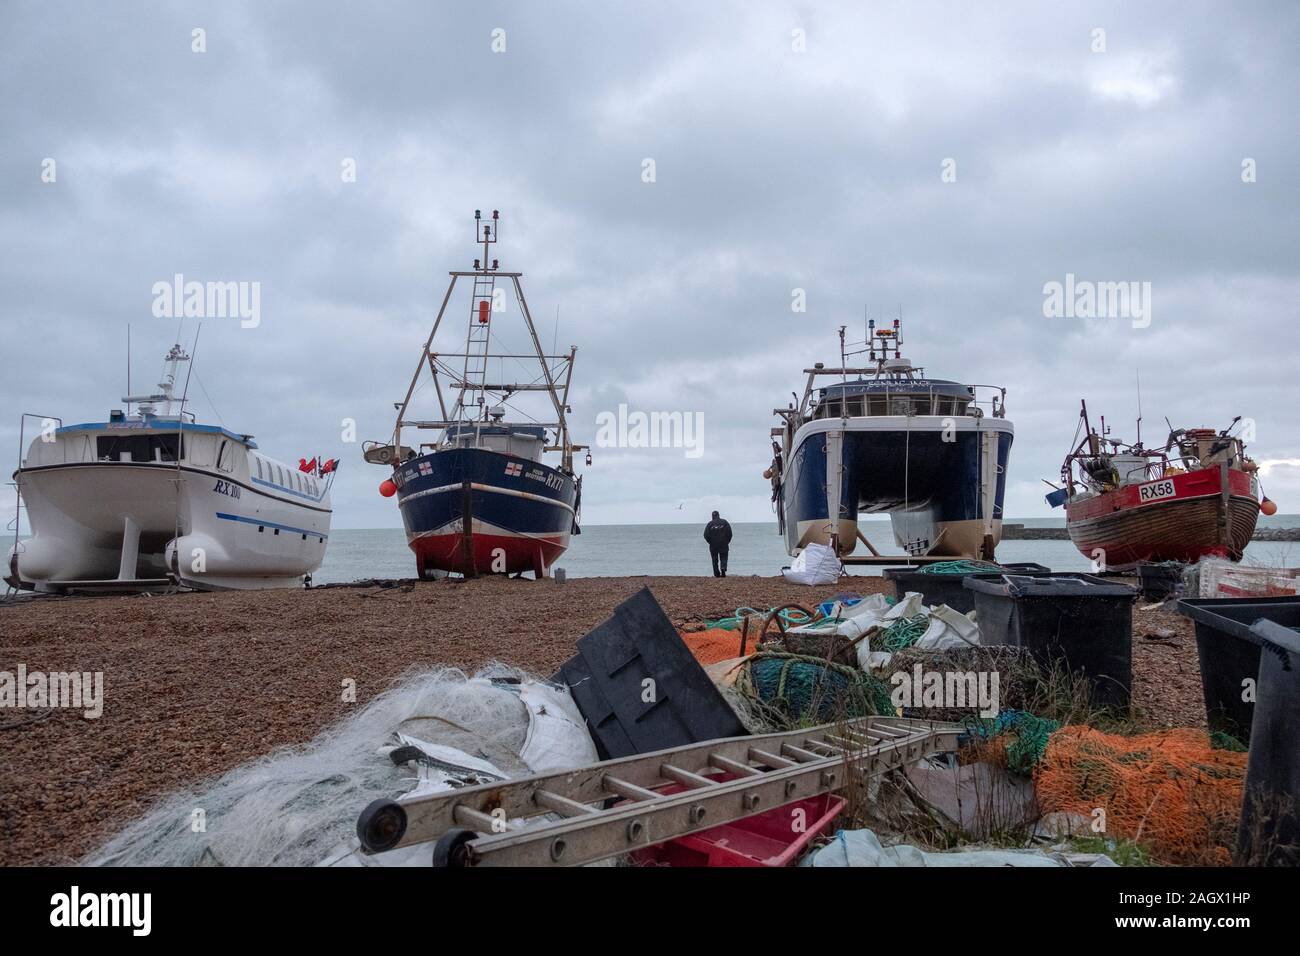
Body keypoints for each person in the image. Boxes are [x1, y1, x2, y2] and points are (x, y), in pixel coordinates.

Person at [703, 511, 733, 577]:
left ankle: (716, 574)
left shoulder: (710, 524)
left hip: (713, 545)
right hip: (723, 543)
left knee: (714, 559)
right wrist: (727, 541)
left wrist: (710, 542)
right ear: (719, 515)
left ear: (712, 516)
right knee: (724, 557)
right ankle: (723, 568)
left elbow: (705, 535)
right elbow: (730, 533)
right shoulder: (724, 522)